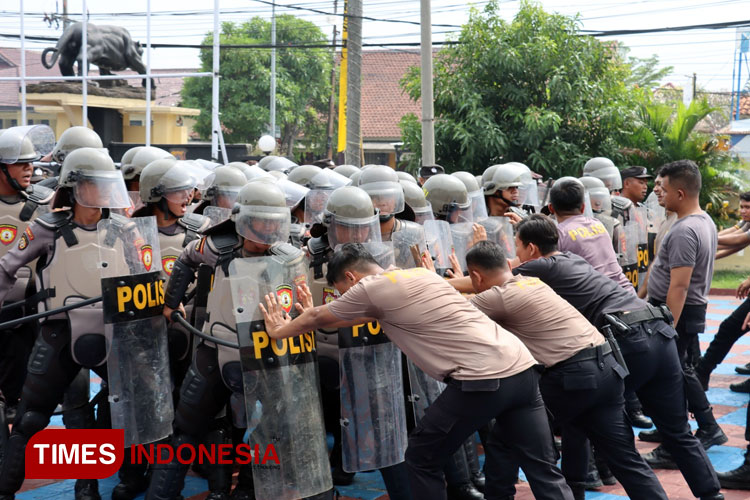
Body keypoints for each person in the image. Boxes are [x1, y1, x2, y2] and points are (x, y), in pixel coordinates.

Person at [259, 243, 575, 500]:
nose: (346, 297)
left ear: (352, 278)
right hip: (522, 366)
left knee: (422, 457)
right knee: (542, 468)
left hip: (482, 378)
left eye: (343, 290)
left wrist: (280, 330)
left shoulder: (370, 287)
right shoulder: (420, 276)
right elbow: (344, 318)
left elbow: (317, 315)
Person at [447, 214, 723, 500]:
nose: (515, 255)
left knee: (570, 412)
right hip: (658, 332)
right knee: (670, 432)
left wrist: (456, 272)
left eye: (517, 247)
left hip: (625, 341)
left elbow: (492, 277)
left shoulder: (536, 268)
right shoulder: (572, 259)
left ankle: (572, 487)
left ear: (530, 249)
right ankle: (711, 494)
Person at [461, 240, 666, 500]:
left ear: (476, 276)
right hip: (607, 367)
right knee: (624, 458)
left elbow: (453, 311)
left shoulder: (498, 296)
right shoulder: (533, 282)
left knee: (506, 440)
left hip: (571, 374)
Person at [145, 181, 305, 500]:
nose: (269, 228)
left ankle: (245, 491)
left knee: (266, 434)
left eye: (275, 221)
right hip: (214, 350)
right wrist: (171, 300)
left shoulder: (291, 257)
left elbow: (302, 305)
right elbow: (186, 260)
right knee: (185, 433)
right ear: (242, 220)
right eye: (261, 221)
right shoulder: (218, 245)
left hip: (266, 355)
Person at [0, 147, 133, 500]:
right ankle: (5, 491)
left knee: (133, 410)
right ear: (74, 187)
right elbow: (7, 268)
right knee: (29, 419)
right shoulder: (46, 228)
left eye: (106, 185)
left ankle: (94, 485)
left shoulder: (124, 229)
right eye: (94, 184)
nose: (102, 192)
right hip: (58, 334)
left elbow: (144, 279)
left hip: (111, 333)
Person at [642, 160, 727, 466]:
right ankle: (702, 426)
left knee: (670, 377)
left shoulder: (686, 229)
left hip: (677, 310)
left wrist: (667, 326)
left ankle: (676, 441)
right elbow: (662, 272)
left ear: (680, 192)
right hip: (679, 309)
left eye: (661, 188)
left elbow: (679, 285)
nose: (657, 193)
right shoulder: (702, 221)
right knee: (680, 371)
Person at [0, 125, 55, 447]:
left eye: (30, 162)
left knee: (30, 401)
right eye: (20, 163)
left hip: (30, 316)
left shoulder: (45, 205)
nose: (30, 168)